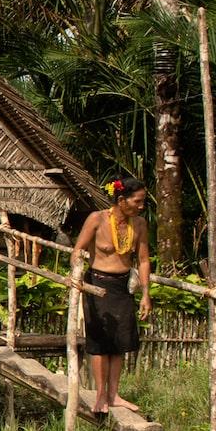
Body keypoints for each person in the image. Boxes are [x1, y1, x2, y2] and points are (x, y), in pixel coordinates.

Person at [72, 175, 153, 415]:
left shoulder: (139, 225)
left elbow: (144, 260)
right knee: (101, 343)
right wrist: (76, 277)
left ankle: (114, 394)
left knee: (120, 342)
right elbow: (77, 250)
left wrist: (146, 294)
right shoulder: (96, 220)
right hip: (98, 284)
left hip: (122, 286)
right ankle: (100, 396)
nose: (141, 206)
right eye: (137, 201)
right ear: (121, 199)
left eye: (142, 202)